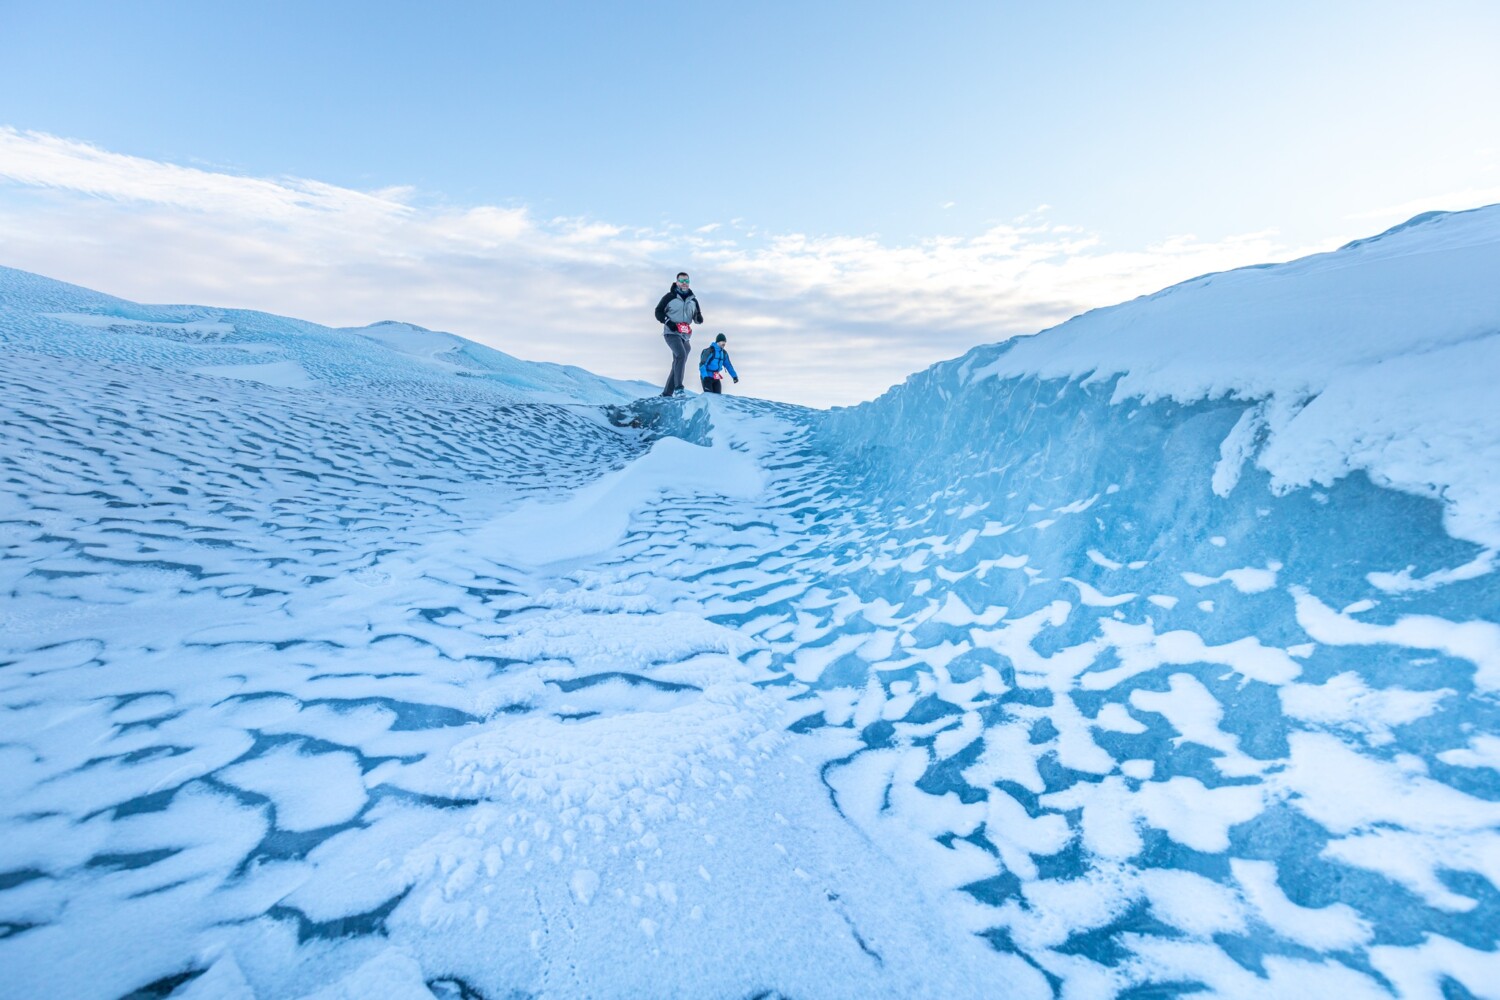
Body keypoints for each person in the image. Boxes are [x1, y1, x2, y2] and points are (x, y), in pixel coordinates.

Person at [653, 271, 702, 396]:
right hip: (671, 333)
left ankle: (666, 394)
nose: (684, 283)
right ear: (677, 282)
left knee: (679, 361)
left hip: (685, 336)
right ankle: (679, 388)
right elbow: (658, 311)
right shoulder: (669, 297)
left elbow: (697, 316)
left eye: (687, 281)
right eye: (682, 281)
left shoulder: (693, 300)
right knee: (681, 355)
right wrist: (668, 322)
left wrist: (699, 318)